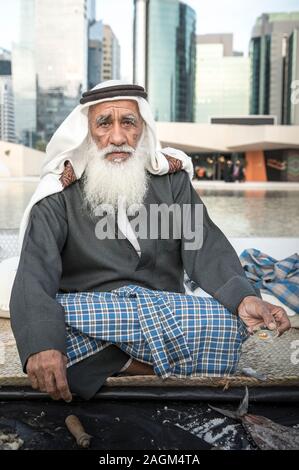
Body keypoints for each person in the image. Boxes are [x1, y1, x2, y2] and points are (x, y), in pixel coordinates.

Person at [10, 80, 290, 402]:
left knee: (228, 321)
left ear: (142, 128)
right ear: (88, 130)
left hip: (165, 309)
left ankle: (114, 362)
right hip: (94, 314)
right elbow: (34, 271)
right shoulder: (59, 192)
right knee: (45, 329)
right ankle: (146, 363)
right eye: (104, 123)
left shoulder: (171, 181)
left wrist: (243, 298)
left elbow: (205, 246)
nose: (117, 137)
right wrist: (43, 343)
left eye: (128, 122)